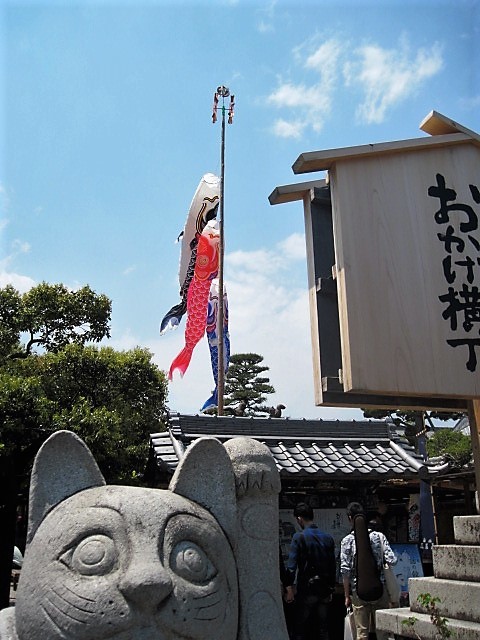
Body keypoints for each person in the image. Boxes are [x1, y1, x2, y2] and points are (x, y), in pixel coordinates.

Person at [340, 502, 397, 640]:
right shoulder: (379, 537)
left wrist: (347, 596)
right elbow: (392, 559)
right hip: (380, 590)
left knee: (362, 634)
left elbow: (345, 571)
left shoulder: (347, 541)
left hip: (358, 592)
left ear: (350, 518)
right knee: (383, 633)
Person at [284, 502, 336, 640]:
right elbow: (332, 565)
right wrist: (331, 588)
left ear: (299, 518)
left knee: (300, 628)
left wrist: (288, 587)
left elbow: (291, 566)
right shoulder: (328, 538)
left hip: (306, 589)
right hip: (324, 589)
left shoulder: (299, 537)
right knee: (323, 628)